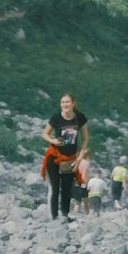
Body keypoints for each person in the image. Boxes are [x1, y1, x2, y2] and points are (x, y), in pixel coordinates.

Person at [40, 92, 88, 221]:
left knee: (67, 188)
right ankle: (53, 216)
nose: (65, 104)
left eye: (67, 102)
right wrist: (53, 141)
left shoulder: (79, 118)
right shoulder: (56, 118)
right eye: (62, 102)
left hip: (71, 157)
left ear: (73, 103)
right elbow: (44, 134)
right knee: (55, 188)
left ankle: (65, 215)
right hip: (54, 156)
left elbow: (84, 139)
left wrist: (79, 159)